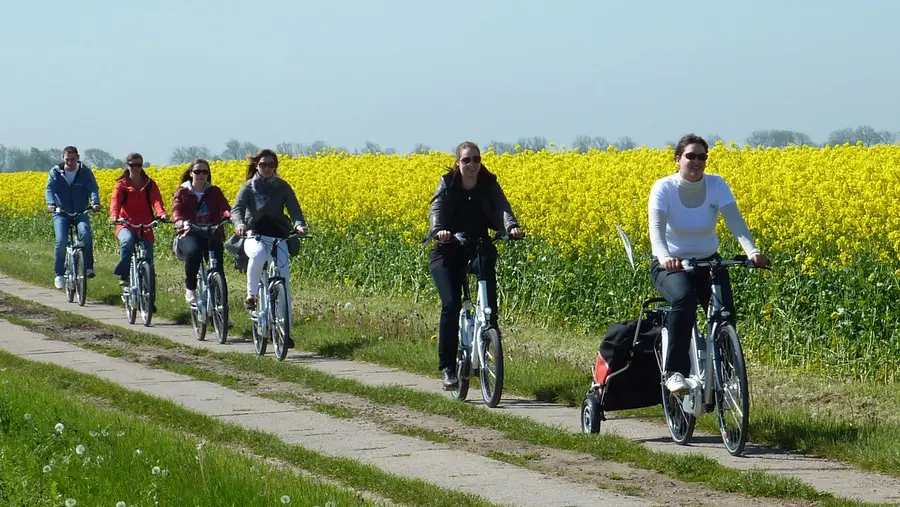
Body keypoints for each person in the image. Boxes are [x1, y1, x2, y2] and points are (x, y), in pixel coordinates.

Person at [648, 134, 769, 395]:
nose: (697, 161)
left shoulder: (716, 185)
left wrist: (753, 251)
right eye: (691, 155)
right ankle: (675, 372)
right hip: (671, 265)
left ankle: (726, 374)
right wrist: (665, 258)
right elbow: (656, 232)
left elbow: (735, 222)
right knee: (684, 301)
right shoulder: (664, 188)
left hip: (708, 262)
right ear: (678, 159)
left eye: (702, 156)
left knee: (724, 312)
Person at [425, 141, 524, 390]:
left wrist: (511, 226)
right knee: (451, 304)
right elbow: (436, 208)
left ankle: (489, 328)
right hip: (447, 250)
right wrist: (438, 231)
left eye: (476, 159)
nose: (472, 165)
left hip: (478, 245)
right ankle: (448, 367)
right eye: (466, 160)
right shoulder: (447, 183)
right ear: (458, 163)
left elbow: (502, 206)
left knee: (487, 278)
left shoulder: (488, 183)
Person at [229, 148, 308, 348]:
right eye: (263, 164)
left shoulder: (282, 187)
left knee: (284, 281)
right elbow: (236, 209)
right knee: (258, 255)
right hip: (253, 234)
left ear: (275, 167)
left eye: (271, 165)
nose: (267, 168)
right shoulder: (248, 187)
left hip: (278, 236)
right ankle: (251, 295)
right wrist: (239, 224)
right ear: (257, 165)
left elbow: (294, 210)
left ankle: (284, 331)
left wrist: (299, 225)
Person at [109, 152, 168, 312]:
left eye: (139, 165)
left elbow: (156, 201)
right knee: (127, 242)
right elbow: (115, 201)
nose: (136, 168)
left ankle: (150, 302)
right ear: (126, 165)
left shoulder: (149, 184)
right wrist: (114, 215)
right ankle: (124, 275)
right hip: (126, 224)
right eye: (132, 164)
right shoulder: (121, 185)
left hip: (145, 225)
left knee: (148, 263)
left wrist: (161, 213)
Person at [172, 158, 232, 304]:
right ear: (191, 173)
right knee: (194, 252)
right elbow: (176, 209)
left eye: (205, 171)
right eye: (197, 171)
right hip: (190, 232)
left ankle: (222, 312)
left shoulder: (214, 191)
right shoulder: (183, 192)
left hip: (211, 232)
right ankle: (190, 287)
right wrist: (179, 221)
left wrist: (229, 216)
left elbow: (224, 207)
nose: (201, 174)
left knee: (218, 270)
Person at [45, 146, 101, 289]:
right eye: (67, 159)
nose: (70, 162)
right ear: (63, 158)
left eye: (73, 159)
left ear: (78, 158)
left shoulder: (85, 172)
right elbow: (50, 188)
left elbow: (92, 188)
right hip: (61, 212)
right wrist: (51, 203)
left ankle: (88, 267)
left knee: (85, 234)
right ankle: (59, 274)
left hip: (81, 211)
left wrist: (95, 203)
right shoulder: (56, 172)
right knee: (61, 240)